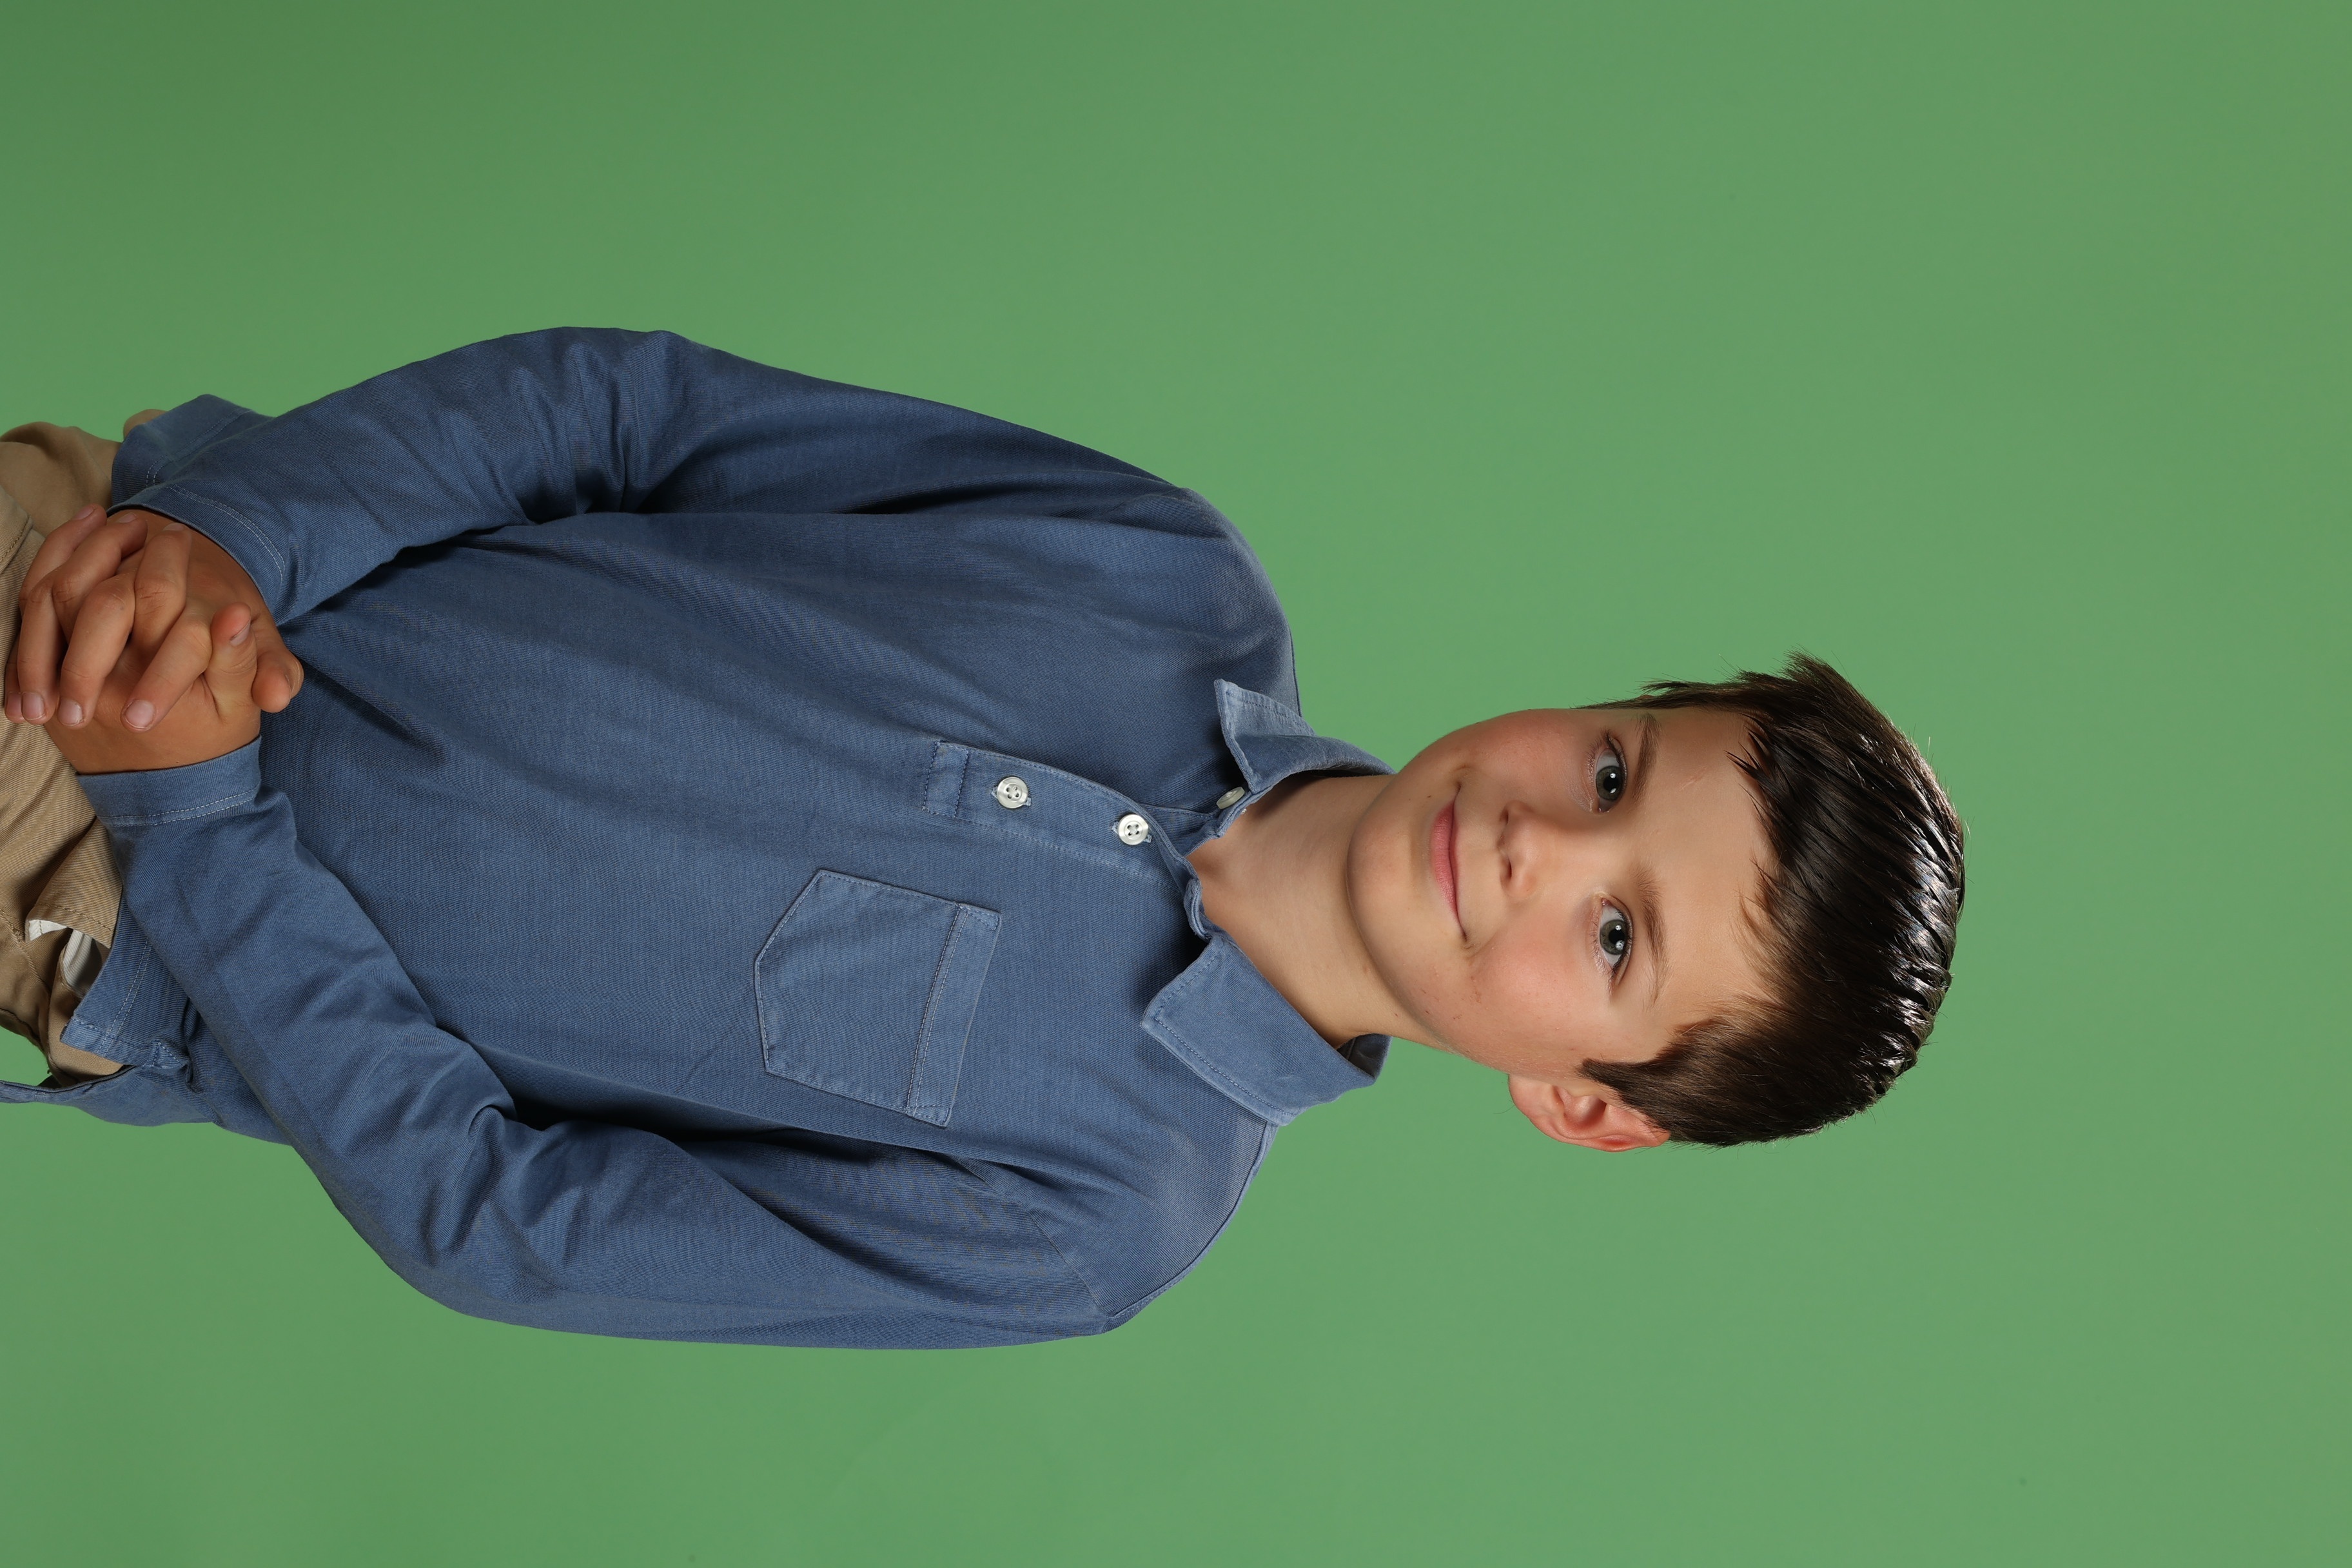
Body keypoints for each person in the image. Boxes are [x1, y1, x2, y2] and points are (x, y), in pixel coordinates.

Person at [1, 330, 1964, 1348]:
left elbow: (509, 1227)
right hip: (131, 538)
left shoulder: (1095, 1215)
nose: (1541, 844)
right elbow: (631, 414)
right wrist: (226, 540)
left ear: (1589, 1104)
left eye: (1618, 942)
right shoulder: (1164, 573)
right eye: (1615, 774)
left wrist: (194, 807)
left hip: (102, 888)